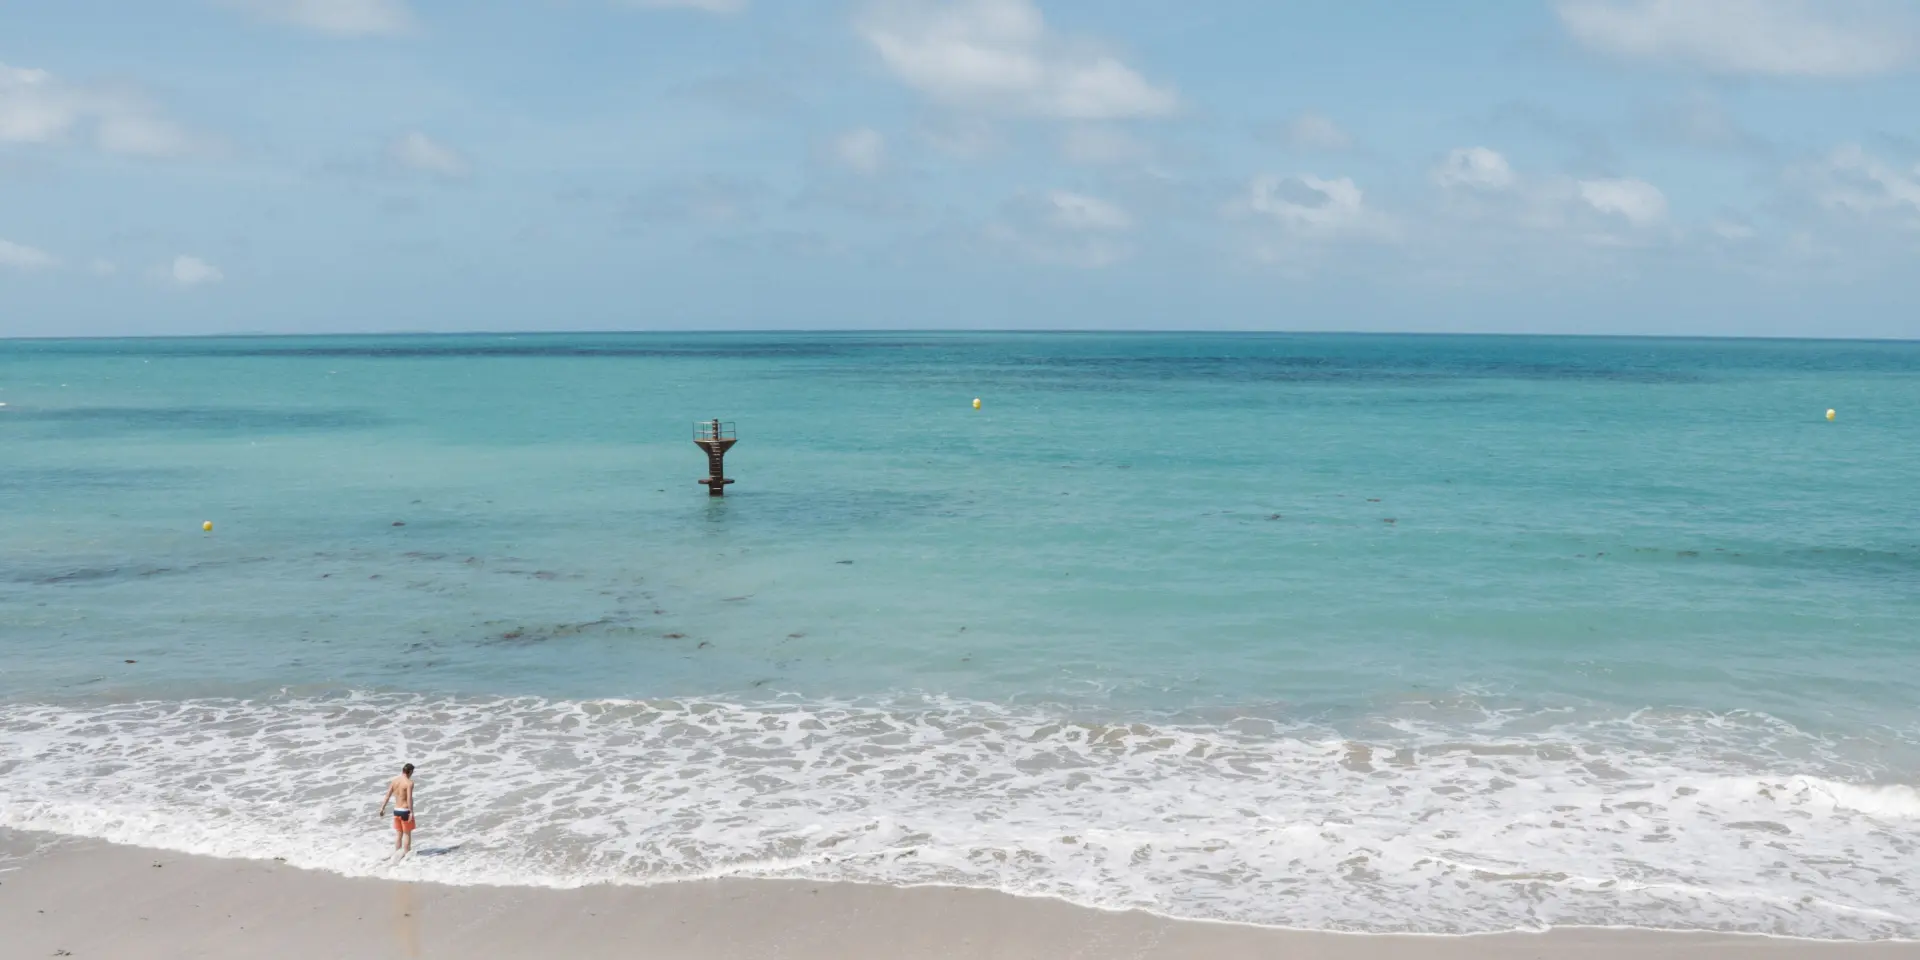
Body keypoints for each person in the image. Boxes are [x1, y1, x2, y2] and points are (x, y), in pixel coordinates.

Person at [378, 763, 418, 857]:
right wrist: (411, 812)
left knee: (399, 834)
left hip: (396, 810)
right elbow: (409, 798)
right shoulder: (409, 783)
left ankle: (397, 854)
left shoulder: (394, 781)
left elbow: (387, 795)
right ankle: (407, 857)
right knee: (407, 834)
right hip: (405, 811)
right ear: (410, 772)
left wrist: (382, 808)